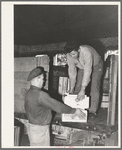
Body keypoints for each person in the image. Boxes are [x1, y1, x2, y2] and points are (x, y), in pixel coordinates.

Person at [24, 66, 86, 146]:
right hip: (40, 129)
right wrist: (74, 111)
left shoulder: (28, 93)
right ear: (37, 79)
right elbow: (58, 107)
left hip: (32, 127)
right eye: (43, 79)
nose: (44, 81)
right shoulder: (40, 94)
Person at [64, 41, 103, 119]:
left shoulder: (86, 51)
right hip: (82, 67)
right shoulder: (69, 55)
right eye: (70, 54)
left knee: (94, 87)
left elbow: (88, 70)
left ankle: (92, 111)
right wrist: (71, 88)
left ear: (78, 50)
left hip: (96, 65)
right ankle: (77, 109)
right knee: (77, 86)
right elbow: (72, 71)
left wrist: (83, 88)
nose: (72, 56)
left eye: (74, 54)